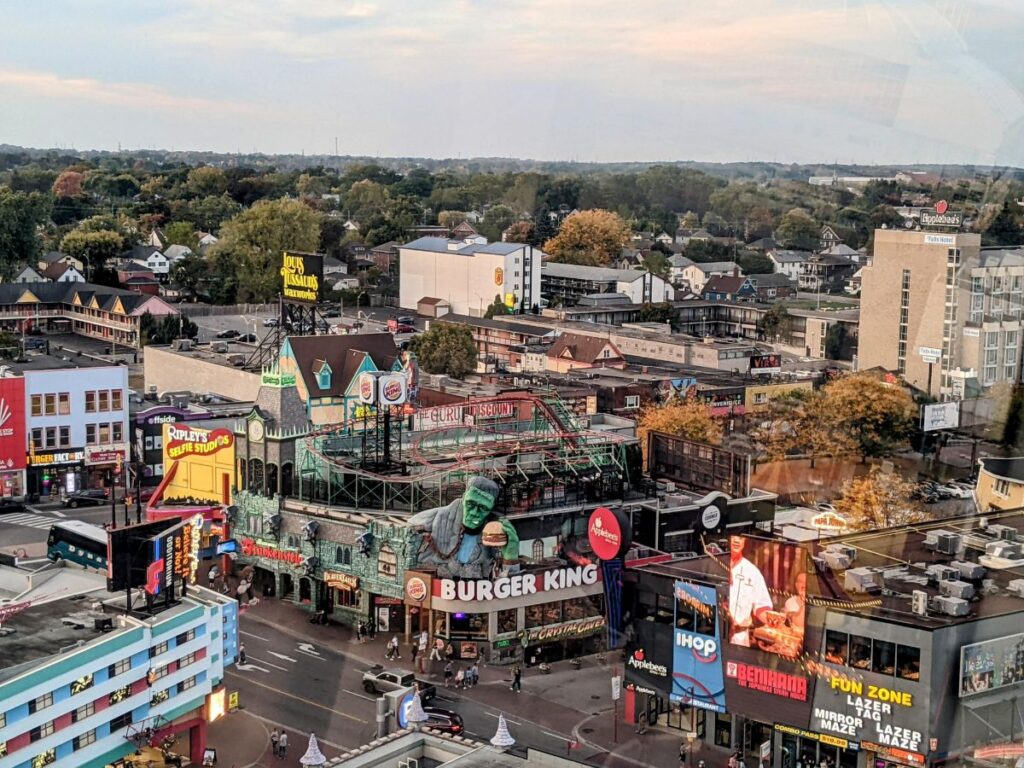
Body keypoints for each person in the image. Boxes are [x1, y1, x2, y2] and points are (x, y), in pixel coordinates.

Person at [728, 536, 773, 647]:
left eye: (741, 538)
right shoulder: (712, 563)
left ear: (745, 541)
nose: (737, 540)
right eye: (733, 536)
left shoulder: (752, 571)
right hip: (711, 634)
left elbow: (762, 605)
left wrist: (772, 619)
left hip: (739, 638)